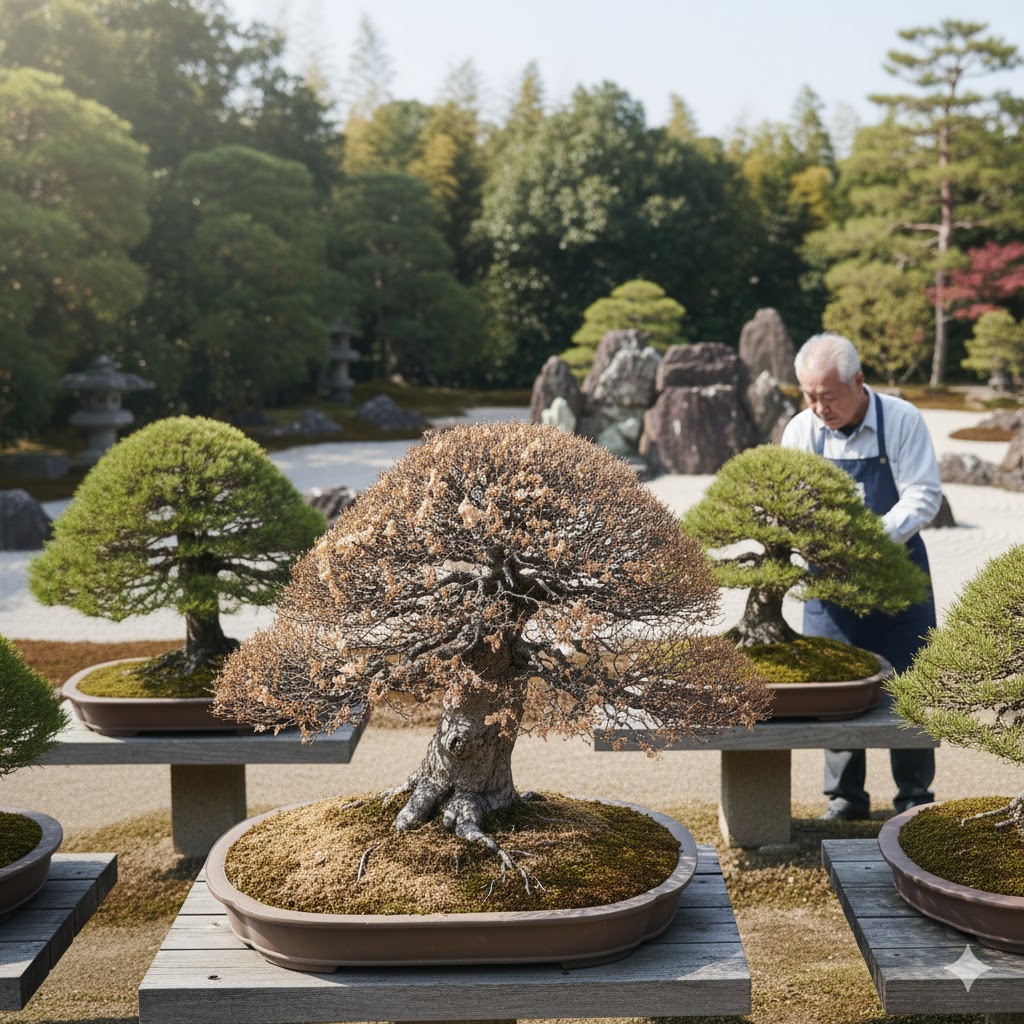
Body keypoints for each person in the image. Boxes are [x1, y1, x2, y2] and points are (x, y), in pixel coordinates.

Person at [780, 332, 941, 820]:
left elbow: (923, 495)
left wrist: (868, 539)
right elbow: (789, 505)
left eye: (828, 395)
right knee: (834, 688)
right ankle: (845, 797)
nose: (819, 408)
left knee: (910, 687)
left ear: (858, 381)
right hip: (829, 582)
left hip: (898, 578)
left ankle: (914, 797)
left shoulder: (902, 420)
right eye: (809, 396)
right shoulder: (801, 431)